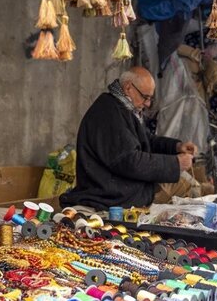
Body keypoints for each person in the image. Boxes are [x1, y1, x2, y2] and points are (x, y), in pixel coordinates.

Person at [59, 66, 197, 210]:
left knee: (189, 183)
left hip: (128, 188)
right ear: (128, 87)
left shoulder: (122, 108)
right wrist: (175, 164)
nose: (147, 104)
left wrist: (176, 147)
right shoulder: (108, 114)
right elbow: (130, 161)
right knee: (189, 187)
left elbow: (146, 140)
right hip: (113, 196)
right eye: (145, 97)